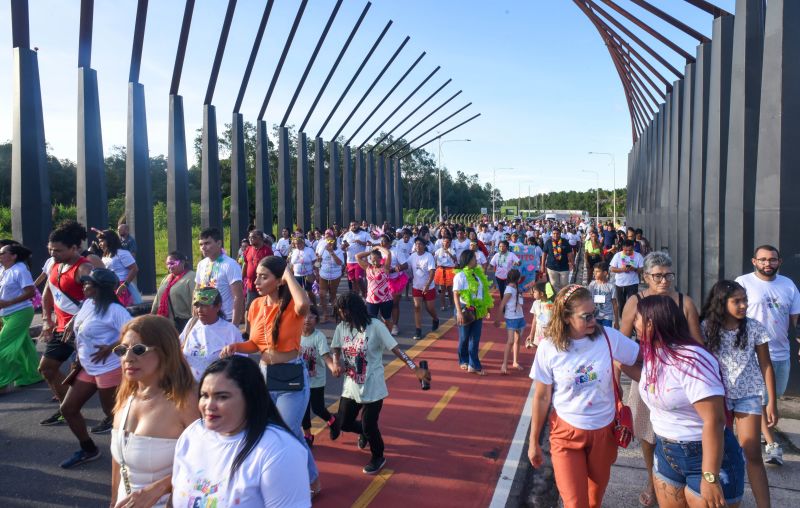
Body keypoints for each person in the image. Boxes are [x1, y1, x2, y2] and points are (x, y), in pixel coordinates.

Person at [528, 285, 641, 508]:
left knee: (594, 500)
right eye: (586, 316)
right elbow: (541, 397)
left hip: (604, 433)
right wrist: (533, 441)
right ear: (566, 317)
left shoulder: (608, 337)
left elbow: (641, 357)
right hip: (565, 434)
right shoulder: (549, 348)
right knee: (575, 503)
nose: (593, 320)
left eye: (595, 314)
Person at [219, 256, 321, 495]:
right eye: (257, 276)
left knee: (287, 430)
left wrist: (288, 273)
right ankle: (302, 477)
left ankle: (309, 479)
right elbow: (255, 344)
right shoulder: (255, 306)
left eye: (264, 277)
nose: (257, 281)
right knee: (277, 431)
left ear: (278, 281)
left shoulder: (292, 307)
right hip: (265, 376)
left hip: (291, 377)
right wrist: (236, 347)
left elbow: (304, 305)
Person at [635, 295, 745, 508]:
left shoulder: (693, 359)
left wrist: (710, 476)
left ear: (651, 322)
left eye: (637, 318)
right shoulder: (655, 353)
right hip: (666, 452)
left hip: (704, 456)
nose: (634, 323)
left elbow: (714, 420)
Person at [171, 356, 311, 507]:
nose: (209, 405)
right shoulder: (191, 435)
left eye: (222, 397)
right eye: (204, 395)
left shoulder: (280, 450)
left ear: (250, 398)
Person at [328, 292, 430, 475]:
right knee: (343, 423)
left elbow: (397, 349)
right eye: (340, 312)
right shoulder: (342, 327)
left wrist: (415, 369)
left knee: (369, 425)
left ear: (355, 310)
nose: (342, 315)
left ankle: (378, 456)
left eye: (345, 311)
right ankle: (363, 434)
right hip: (350, 387)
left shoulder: (375, 326)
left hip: (373, 387)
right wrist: (336, 362)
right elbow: (335, 346)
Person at [701, 280, 777, 507]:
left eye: (745, 300)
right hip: (718, 396)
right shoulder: (705, 328)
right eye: (737, 301)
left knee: (752, 451)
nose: (744, 305)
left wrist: (772, 401)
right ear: (721, 303)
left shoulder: (754, 327)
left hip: (749, 394)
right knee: (719, 451)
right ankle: (724, 499)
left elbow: (766, 365)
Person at [110, 315, 198, 508]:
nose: (128, 358)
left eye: (139, 350)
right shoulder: (126, 397)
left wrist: (161, 487)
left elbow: (208, 463)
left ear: (165, 352)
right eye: (122, 350)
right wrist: (113, 500)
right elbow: (118, 463)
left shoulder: (185, 402)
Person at [59, 268, 132, 467]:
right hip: (87, 366)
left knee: (113, 415)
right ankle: (88, 449)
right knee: (68, 408)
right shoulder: (88, 303)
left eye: (88, 283)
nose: (83, 285)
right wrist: (72, 327)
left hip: (109, 367)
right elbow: (82, 321)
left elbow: (133, 334)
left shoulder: (115, 310)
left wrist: (110, 348)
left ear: (100, 288)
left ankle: (132, 457)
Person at [735, 245, 800, 466]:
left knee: (775, 395)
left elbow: (795, 320)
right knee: (761, 399)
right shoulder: (743, 282)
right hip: (751, 353)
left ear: (779, 262)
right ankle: (772, 444)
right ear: (754, 261)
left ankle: (761, 430)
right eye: (762, 259)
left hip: (781, 353)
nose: (767, 263)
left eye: (772, 260)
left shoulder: (788, 285)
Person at [39, 221, 94, 425]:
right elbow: (47, 293)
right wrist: (46, 320)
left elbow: (95, 300)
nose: (53, 254)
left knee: (98, 375)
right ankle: (67, 409)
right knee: (47, 369)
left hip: (84, 331)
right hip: (61, 330)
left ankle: (114, 414)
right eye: (51, 250)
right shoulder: (55, 265)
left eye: (58, 250)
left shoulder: (85, 268)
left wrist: (76, 321)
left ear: (74, 248)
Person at [0, 243, 42, 393]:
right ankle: (32, 375)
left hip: (21, 312)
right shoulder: (3, 270)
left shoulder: (20, 270)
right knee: (25, 347)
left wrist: (9, 302)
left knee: (2, 346)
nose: (0, 255)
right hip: (6, 314)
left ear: (13, 256)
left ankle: (3, 381)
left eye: (2, 253)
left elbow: (31, 292)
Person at [179, 287, 243, 381]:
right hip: (189, 388)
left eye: (204, 305)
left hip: (216, 388)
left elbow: (241, 365)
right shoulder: (191, 324)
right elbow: (178, 347)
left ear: (218, 306)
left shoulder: (231, 331)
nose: (199, 310)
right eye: (197, 305)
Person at [453, 250, 494, 375]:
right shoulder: (460, 276)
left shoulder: (478, 274)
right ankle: (463, 360)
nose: (476, 260)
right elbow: (456, 294)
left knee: (475, 338)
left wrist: (486, 307)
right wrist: (459, 312)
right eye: (474, 258)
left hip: (478, 309)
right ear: (468, 260)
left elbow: (483, 292)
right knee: (464, 337)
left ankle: (474, 365)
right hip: (465, 309)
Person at [300, 306, 336, 447]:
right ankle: (308, 435)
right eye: (304, 316)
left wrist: (333, 367)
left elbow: (326, 356)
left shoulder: (319, 337)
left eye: (311, 317)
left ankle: (332, 420)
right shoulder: (295, 334)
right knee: (304, 409)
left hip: (317, 381)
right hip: (300, 381)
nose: (307, 320)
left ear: (316, 320)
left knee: (318, 408)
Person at [195, 227, 245, 326]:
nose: (203, 247)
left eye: (207, 243)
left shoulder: (230, 264)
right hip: (206, 317)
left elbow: (238, 297)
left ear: (218, 243)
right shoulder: (201, 264)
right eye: (201, 244)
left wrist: (234, 325)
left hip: (226, 318)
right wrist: (196, 315)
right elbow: (197, 290)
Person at [151, 251, 195, 332]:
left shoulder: (191, 277)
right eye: (167, 264)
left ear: (182, 263)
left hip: (183, 324)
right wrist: (152, 316)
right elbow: (157, 300)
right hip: (165, 323)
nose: (169, 266)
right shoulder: (166, 278)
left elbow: (194, 301)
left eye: (172, 263)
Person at [357, 246, 395, 333]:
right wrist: (371, 252)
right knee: (370, 321)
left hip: (386, 299)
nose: (373, 261)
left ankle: (388, 337)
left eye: (376, 259)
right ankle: (372, 338)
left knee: (386, 320)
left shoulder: (385, 268)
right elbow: (357, 256)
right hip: (371, 300)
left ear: (380, 259)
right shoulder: (368, 267)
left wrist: (378, 247)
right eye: (372, 259)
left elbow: (388, 253)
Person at [407, 237, 439, 341]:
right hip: (416, 286)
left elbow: (432, 271)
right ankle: (418, 330)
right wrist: (397, 268)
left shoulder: (429, 256)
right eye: (416, 244)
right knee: (417, 307)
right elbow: (406, 265)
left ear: (424, 245)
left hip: (428, 287)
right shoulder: (412, 256)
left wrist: (427, 284)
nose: (418, 246)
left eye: (420, 244)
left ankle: (435, 319)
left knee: (429, 308)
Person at [499, 268, 525, 374]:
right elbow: (502, 304)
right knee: (510, 341)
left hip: (519, 316)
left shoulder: (516, 288)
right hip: (512, 318)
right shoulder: (509, 290)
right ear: (517, 279)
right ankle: (504, 364)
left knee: (517, 339)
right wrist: (497, 319)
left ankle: (515, 361)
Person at [316, 229, 344, 323]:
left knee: (333, 295)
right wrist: (316, 269)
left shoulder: (338, 250)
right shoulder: (322, 248)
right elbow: (318, 261)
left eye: (331, 240)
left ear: (334, 241)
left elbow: (340, 263)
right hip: (323, 273)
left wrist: (332, 253)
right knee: (322, 294)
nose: (329, 242)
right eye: (327, 240)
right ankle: (325, 314)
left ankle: (337, 313)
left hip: (335, 275)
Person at [383, 234, 408, 336]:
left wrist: (395, 269)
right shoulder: (378, 251)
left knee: (394, 303)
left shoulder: (396, 251)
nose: (382, 243)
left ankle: (395, 325)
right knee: (384, 304)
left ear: (389, 242)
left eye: (384, 241)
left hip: (396, 279)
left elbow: (405, 265)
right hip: (383, 281)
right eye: (381, 241)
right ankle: (386, 324)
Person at [609, 239, 644, 311]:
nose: (628, 252)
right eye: (626, 250)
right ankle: (622, 318)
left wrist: (634, 269)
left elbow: (642, 269)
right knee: (621, 303)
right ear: (622, 248)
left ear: (633, 248)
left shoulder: (638, 256)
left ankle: (631, 319)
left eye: (630, 250)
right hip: (620, 284)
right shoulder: (617, 255)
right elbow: (612, 269)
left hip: (633, 283)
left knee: (633, 303)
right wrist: (622, 269)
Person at [241, 229, 273, 309]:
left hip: (263, 285)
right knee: (249, 308)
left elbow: (271, 268)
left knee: (263, 307)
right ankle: (247, 322)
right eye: (249, 237)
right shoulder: (248, 249)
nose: (250, 239)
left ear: (261, 238)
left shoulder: (267, 251)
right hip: (251, 284)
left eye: (253, 237)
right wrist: (241, 278)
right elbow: (245, 264)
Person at [542, 228, 574, 294]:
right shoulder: (548, 242)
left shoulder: (565, 242)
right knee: (554, 285)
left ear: (560, 234)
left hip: (564, 267)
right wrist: (542, 265)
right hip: (552, 267)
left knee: (564, 284)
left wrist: (572, 263)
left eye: (557, 234)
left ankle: (563, 297)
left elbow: (570, 254)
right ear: (552, 234)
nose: (555, 235)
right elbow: (544, 254)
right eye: (554, 234)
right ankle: (558, 299)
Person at [525, 280, 554, 351]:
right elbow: (534, 319)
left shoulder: (550, 304)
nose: (532, 293)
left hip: (549, 332)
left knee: (548, 349)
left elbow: (552, 318)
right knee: (539, 349)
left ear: (541, 293)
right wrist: (531, 334)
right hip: (539, 331)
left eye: (534, 292)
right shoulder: (535, 303)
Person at [343, 222, 371, 297]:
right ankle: (356, 296)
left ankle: (365, 294)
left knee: (359, 279)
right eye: (351, 225)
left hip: (360, 260)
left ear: (358, 225)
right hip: (349, 261)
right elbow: (343, 247)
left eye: (355, 225)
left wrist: (360, 242)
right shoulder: (347, 235)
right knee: (352, 280)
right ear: (350, 226)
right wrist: (344, 246)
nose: (353, 226)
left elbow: (369, 244)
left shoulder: (364, 234)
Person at [588, 263, 618, 328]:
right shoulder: (592, 285)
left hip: (607, 316)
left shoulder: (611, 286)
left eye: (597, 271)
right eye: (594, 271)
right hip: (595, 315)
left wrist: (616, 321)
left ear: (605, 273)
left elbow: (615, 304)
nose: (594, 273)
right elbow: (588, 300)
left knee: (606, 334)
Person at [434, 236, 458, 311]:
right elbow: (434, 259)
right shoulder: (438, 251)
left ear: (450, 243)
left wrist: (448, 253)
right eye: (444, 242)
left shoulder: (452, 250)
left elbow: (455, 259)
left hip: (449, 271)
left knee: (450, 289)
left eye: (448, 242)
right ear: (442, 242)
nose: (446, 243)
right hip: (441, 270)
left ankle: (451, 303)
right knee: (442, 290)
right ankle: (443, 305)